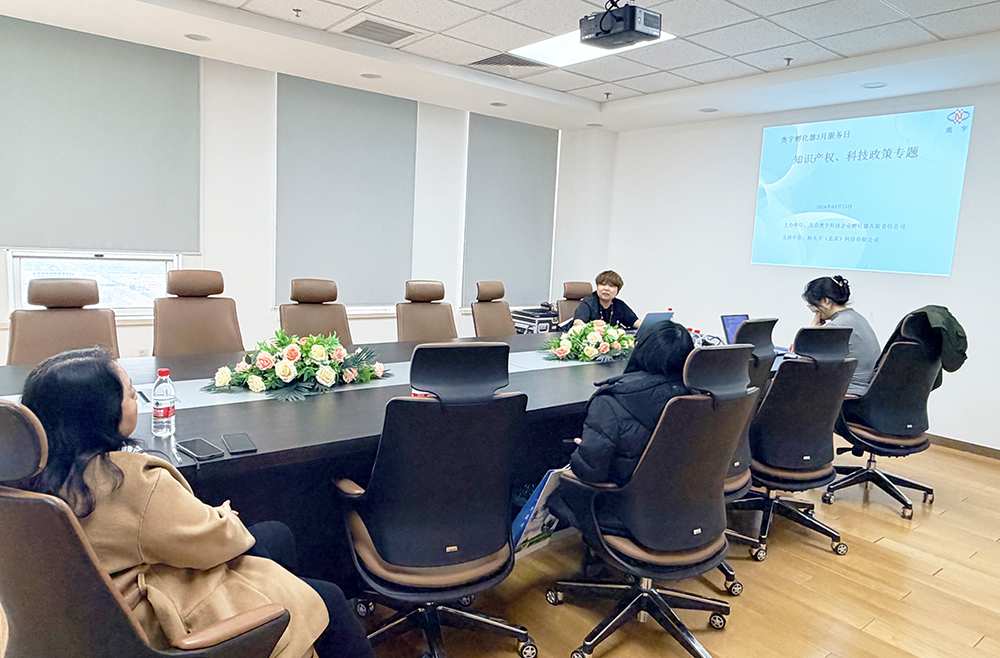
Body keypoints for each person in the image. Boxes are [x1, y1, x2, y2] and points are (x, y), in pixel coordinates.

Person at [18, 347, 374, 658]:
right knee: (326, 597)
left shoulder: (31, 476)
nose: (137, 397)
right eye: (130, 392)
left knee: (276, 535)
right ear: (102, 413)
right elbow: (214, 542)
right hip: (148, 620)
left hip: (87, 615)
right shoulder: (128, 481)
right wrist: (223, 516)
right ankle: (283, 627)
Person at [550, 321, 694, 535]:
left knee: (556, 496)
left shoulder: (612, 401)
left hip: (627, 513)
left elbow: (590, 473)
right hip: (688, 506)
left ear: (640, 350)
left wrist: (583, 449)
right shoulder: (699, 395)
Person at [802, 275, 880, 396]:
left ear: (826, 301)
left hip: (850, 392)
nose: (814, 311)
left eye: (813, 306)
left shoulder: (836, 327)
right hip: (869, 390)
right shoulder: (856, 317)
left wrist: (813, 330)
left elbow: (807, 363)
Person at [572, 270, 641, 329]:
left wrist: (646, 327)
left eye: (611, 286)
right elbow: (578, 322)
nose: (606, 288)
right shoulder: (588, 303)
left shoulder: (619, 305)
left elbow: (635, 321)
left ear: (617, 291)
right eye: (603, 284)